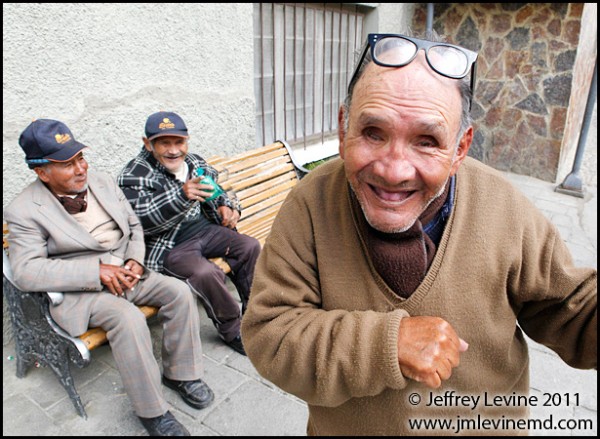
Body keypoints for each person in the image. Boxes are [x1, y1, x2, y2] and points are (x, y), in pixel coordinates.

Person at [241, 32, 597, 435]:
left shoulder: (505, 208)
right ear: (343, 130)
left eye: (426, 141)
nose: (394, 171)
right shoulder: (310, 204)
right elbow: (270, 334)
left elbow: (570, 309)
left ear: (461, 148)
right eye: (373, 132)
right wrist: (385, 346)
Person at [5, 119, 216, 437]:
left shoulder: (102, 182)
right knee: (128, 319)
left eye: (80, 157)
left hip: (127, 272)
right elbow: (25, 271)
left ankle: (181, 374)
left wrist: (133, 260)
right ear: (41, 172)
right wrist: (95, 272)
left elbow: (133, 226)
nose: (80, 169)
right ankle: (153, 412)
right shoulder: (24, 210)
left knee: (178, 292)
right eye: (66, 164)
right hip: (82, 291)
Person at [117, 111, 261, 356]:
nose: (174, 150)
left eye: (179, 142)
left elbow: (217, 191)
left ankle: (255, 312)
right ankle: (231, 328)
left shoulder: (194, 162)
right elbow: (142, 221)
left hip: (205, 230)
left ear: (187, 141)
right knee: (206, 273)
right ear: (147, 143)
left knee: (249, 246)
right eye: (164, 143)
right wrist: (181, 196)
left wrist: (228, 205)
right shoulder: (133, 175)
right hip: (168, 246)